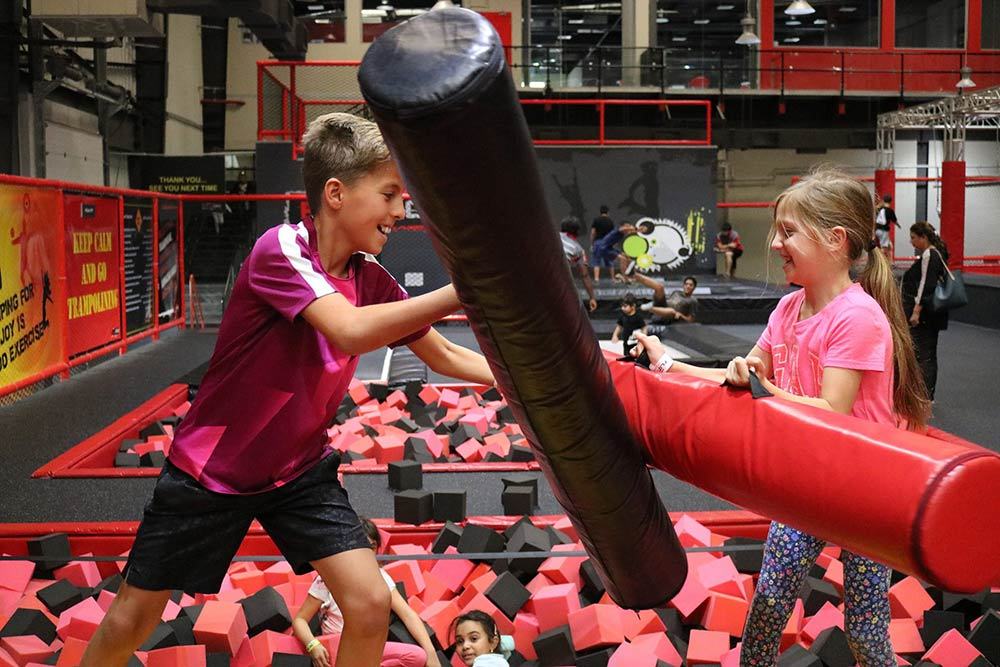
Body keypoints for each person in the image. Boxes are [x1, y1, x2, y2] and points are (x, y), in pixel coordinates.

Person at [80, 112, 495, 667]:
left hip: (299, 470)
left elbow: (444, 353)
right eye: (390, 193)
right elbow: (348, 328)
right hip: (212, 472)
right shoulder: (281, 250)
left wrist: (527, 384)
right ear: (336, 193)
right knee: (134, 617)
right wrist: (458, 291)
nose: (401, 210)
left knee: (370, 603)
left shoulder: (369, 274)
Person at [632, 168, 929, 667]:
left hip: (867, 494)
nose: (773, 243)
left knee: (866, 630)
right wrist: (668, 363)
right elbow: (742, 379)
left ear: (835, 241)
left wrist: (764, 390)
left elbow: (833, 410)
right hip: (807, 485)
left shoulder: (857, 317)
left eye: (787, 231)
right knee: (768, 607)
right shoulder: (788, 310)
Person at [292, 518, 440, 667]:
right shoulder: (329, 577)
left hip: (369, 644)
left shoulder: (380, 576)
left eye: (371, 547)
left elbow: (408, 615)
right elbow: (300, 620)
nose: (366, 554)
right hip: (337, 644)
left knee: (417, 657)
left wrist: (431, 653)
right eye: (361, 547)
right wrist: (312, 644)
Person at [901, 221, 949, 401]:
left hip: (926, 315)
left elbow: (926, 286)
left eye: (914, 238)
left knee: (924, 353)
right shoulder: (937, 253)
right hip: (932, 314)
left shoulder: (930, 254)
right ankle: (925, 394)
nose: (911, 242)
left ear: (923, 237)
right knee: (927, 352)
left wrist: (916, 311)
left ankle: (925, 396)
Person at [560, 216, 598, 312]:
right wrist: (592, 298)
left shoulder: (552, 236)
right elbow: (585, 275)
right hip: (559, 282)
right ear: (577, 231)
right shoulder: (579, 250)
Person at [633, 273, 698, 324]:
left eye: (690, 285)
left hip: (669, 315)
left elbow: (690, 320)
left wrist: (680, 315)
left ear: (694, 287)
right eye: (686, 284)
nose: (688, 286)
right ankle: (633, 275)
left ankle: (646, 307)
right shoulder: (676, 292)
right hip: (662, 305)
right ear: (683, 285)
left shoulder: (693, 301)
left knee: (672, 311)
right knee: (660, 287)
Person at [590, 205, 615, 282]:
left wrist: (592, 243)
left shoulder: (596, 220)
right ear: (608, 212)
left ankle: (596, 278)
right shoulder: (610, 221)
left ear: (600, 212)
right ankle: (613, 278)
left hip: (598, 242)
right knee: (610, 261)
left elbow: (593, 232)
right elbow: (613, 234)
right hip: (608, 243)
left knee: (596, 261)